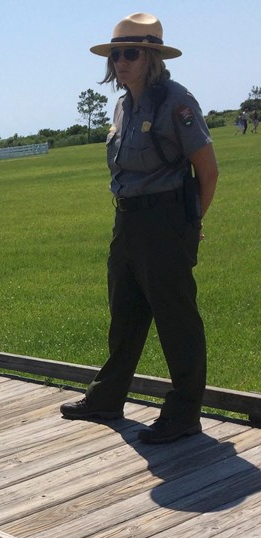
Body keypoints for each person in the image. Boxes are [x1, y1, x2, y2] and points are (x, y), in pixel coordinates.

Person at [60, 13, 218, 444]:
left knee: (176, 319)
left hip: (165, 220)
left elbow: (208, 171)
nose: (121, 61)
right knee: (125, 313)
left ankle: (184, 413)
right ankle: (108, 398)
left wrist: (190, 224)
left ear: (151, 58)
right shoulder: (123, 104)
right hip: (128, 219)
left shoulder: (176, 102)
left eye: (130, 53)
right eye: (116, 54)